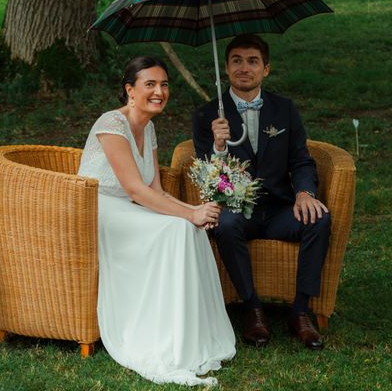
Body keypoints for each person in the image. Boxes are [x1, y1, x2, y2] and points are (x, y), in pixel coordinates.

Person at [78, 56, 235, 386]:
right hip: (100, 209)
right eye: (149, 84)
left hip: (131, 206)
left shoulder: (148, 128)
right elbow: (135, 189)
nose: (159, 91)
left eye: (164, 84)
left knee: (188, 229)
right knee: (177, 227)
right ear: (130, 90)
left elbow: (155, 189)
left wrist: (195, 211)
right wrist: (189, 213)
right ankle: (162, 338)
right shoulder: (112, 124)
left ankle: (189, 334)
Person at [192, 34, 331, 350]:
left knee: (319, 219)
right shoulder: (207, 115)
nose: (244, 68)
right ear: (226, 68)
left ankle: (300, 311)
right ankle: (252, 308)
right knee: (225, 224)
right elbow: (206, 176)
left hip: (280, 209)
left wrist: (305, 194)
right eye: (236, 61)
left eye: (252, 61)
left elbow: (301, 160)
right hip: (237, 209)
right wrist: (218, 146)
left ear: (265, 69)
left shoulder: (284, 109)